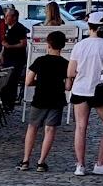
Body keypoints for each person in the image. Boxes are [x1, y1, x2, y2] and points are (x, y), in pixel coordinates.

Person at [19, 29, 67, 172]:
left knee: (32, 127)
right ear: (63, 46)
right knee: (50, 129)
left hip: (39, 98)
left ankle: (26, 160)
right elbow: (68, 85)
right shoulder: (66, 63)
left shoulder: (40, 61)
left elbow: (28, 81)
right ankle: (41, 162)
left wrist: (38, 83)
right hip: (57, 99)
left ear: (48, 44)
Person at [66, 10, 103, 176]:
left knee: (81, 128)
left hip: (81, 89)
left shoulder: (79, 46)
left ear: (90, 26)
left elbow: (70, 72)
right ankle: (100, 162)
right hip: (101, 89)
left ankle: (80, 165)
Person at [0, 5, 28, 110]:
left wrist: (10, 46)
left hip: (16, 59)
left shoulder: (19, 28)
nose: (5, 19)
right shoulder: (8, 28)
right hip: (7, 58)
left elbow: (23, 43)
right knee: (5, 81)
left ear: (14, 17)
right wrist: (2, 54)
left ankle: (9, 103)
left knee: (12, 82)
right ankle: (5, 101)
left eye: (7, 16)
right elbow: (4, 44)